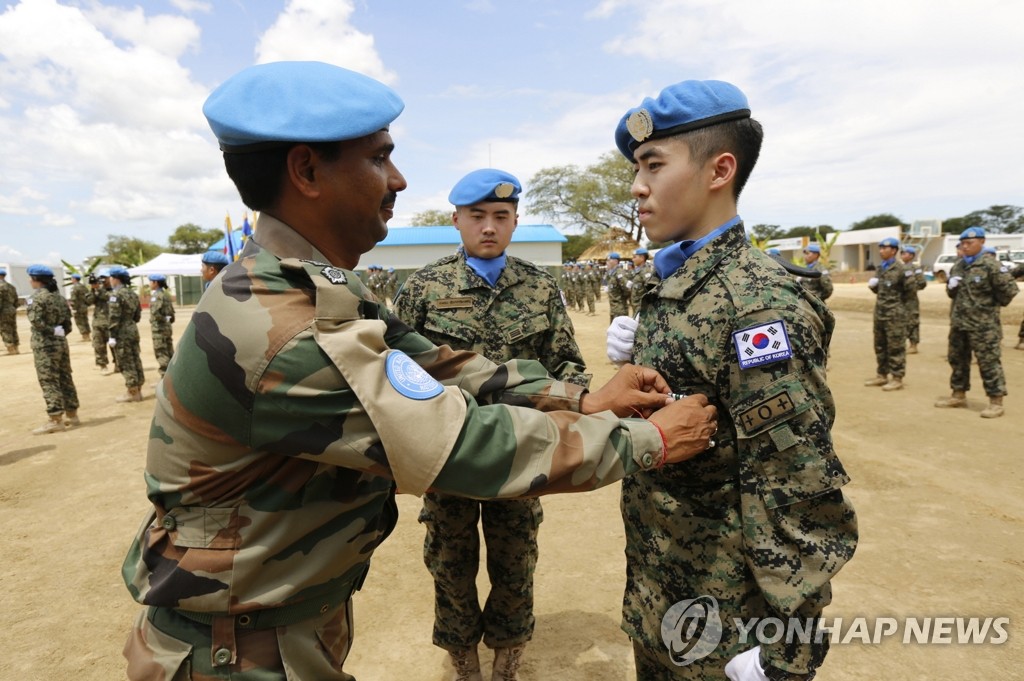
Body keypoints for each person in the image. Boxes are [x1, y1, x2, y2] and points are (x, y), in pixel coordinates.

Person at [121, 61, 719, 681]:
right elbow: (459, 443)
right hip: (235, 648)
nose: (399, 179)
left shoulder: (314, 289)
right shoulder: (283, 330)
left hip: (270, 621)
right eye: (380, 158)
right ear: (305, 172)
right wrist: (652, 439)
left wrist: (579, 398)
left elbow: (437, 363)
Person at [612, 78, 857, 680]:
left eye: (653, 164)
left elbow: (799, 483)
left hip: (728, 621)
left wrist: (786, 649)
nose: (638, 186)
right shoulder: (675, 282)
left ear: (720, 170)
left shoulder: (756, 306)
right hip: (662, 588)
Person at [394, 168, 590, 680]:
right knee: (449, 559)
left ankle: (507, 657)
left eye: (501, 217)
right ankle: (464, 659)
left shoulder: (540, 288)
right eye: (477, 216)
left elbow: (568, 364)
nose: (489, 227)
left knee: (515, 557)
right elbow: (394, 369)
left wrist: (566, 417)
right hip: (448, 454)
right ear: (455, 220)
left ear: (515, 221)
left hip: (519, 453)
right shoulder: (424, 288)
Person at [934, 226, 1019, 418]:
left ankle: (996, 401)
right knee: (957, 360)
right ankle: (958, 394)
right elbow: (951, 294)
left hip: (984, 326)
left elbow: (1009, 291)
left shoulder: (991, 265)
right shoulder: (958, 265)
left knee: (988, 362)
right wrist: (951, 286)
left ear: (982, 242)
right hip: (959, 323)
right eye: (962, 243)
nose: (965, 247)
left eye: (969, 243)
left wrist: (990, 305)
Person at [25, 264, 79, 433]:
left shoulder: (36, 298)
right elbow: (68, 325)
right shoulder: (60, 298)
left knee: (49, 380)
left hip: (45, 345)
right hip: (61, 343)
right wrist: (58, 332)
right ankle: (73, 414)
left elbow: (37, 322)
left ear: (36, 280)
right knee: (65, 377)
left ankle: (55, 419)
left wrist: (50, 331)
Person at [864, 237, 910, 391]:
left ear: (894, 250)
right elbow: (880, 291)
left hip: (895, 314)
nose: (881, 251)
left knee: (895, 346)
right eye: (880, 248)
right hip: (880, 312)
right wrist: (873, 287)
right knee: (880, 345)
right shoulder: (880, 268)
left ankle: (897, 378)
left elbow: (910, 292)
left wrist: (899, 308)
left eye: (885, 248)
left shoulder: (902, 269)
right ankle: (882, 375)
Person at [107, 265, 145, 402]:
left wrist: (112, 335)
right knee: (135, 358)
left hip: (121, 331)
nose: (110, 280)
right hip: (132, 329)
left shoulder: (115, 295)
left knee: (125, 361)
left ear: (116, 279)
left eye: (111, 278)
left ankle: (132, 392)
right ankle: (138, 388)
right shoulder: (132, 294)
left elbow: (114, 317)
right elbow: (137, 316)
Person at [899, 245, 927, 354]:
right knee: (900, 322)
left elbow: (922, 283)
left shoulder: (916, 268)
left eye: (905, 253)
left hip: (911, 300)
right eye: (902, 253)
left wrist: (912, 289)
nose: (903, 255)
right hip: (900, 300)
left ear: (911, 256)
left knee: (913, 322)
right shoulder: (898, 268)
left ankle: (913, 345)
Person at [147, 274, 176, 377]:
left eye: (151, 281)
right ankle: (173, 376)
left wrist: (163, 319)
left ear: (155, 283)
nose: (149, 284)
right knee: (169, 351)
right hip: (167, 328)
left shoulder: (156, 296)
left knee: (161, 353)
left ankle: (165, 378)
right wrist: (167, 320)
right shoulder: (165, 295)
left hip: (159, 329)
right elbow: (172, 314)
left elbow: (156, 314)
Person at [89, 271, 116, 373]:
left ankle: (117, 363)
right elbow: (88, 301)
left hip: (111, 322)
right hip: (98, 322)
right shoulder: (97, 290)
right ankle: (102, 365)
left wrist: (99, 289)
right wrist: (92, 289)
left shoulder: (114, 290)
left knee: (114, 345)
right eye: (101, 278)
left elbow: (108, 297)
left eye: (105, 278)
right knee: (98, 345)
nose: (103, 280)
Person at [0, 267, 21, 355]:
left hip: (3, 310)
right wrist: (13, 308)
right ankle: (16, 347)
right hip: (12, 309)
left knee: (5, 329)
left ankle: (11, 348)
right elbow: (17, 300)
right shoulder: (11, 287)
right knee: (13, 328)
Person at [605, 252, 630, 323]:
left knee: (619, 330)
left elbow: (626, 289)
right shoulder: (611, 273)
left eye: (609, 260)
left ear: (616, 261)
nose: (607, 262)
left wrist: (622, 300)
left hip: (620, 308)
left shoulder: (619, 273)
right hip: (614, 307)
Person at [69, 272, 93, 341]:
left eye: (72, 278)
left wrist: (73, 307)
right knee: (85, 320)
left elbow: (73, 299)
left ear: (74, 279)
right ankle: (87, 335)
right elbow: (88, 296)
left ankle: (85, 336)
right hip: (84, 306)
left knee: (79, 321)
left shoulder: (74, 288)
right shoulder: (83, 286)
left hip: (78, 307)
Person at [629, 248, 653, 316]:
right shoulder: (637, 271)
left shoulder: (646, 271)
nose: (633, 259)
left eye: (634, 257)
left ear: (642, 258)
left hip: (643, 308)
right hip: (636, 306)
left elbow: (650, 289)